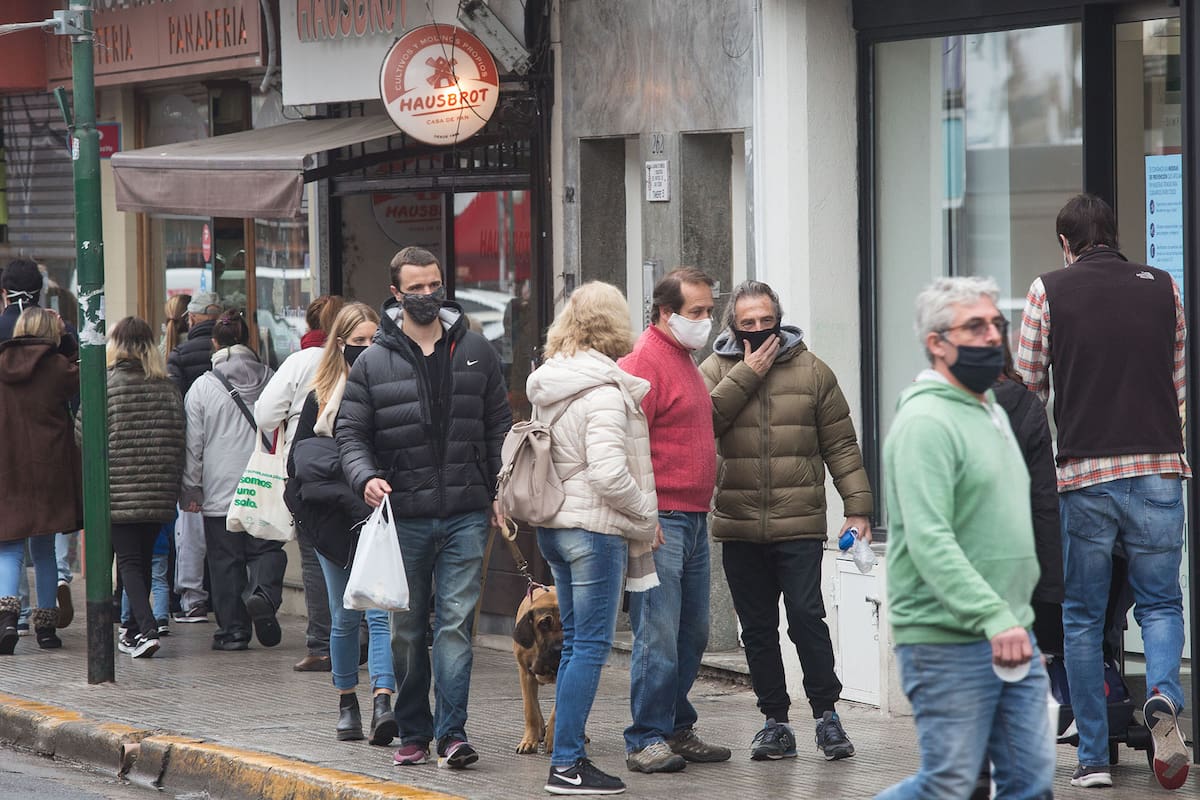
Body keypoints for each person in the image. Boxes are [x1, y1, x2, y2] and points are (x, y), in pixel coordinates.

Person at [1016, 193, 1190, 791]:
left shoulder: (1049, 290)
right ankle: (1164, 695)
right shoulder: (1163, 286)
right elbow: (1179, 382)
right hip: (1159, 468)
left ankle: (1092, 758)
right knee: (1161, 603)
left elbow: (1030, 389)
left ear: (1066, 244)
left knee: (1083, 618)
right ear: (1114, 235)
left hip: (1085, 475)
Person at [877, 276, 1052, 800]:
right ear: (937, 342)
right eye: (974, 326)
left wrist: (1016, 617)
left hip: (1010, 633)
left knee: (1030, 783)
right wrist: (995, 616)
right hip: (946, 639)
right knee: (948, 783)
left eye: (995, 324)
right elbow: (930, 539)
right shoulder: (926, 421)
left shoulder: (993, 410)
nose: (992, 336)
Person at [337, 246, 511, 770]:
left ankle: (453, 734)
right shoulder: (372, 361)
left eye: (432, 284)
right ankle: (414, 730)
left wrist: (502, 488)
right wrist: (365, 477)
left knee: (455, 625)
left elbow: (499, 426)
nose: (426, 294)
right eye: (414, 288)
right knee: (409, 631)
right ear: (395, 294)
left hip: (465, 511)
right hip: (403, 517)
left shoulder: (477, 350)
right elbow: (350, 433)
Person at [698, 280, 871, 762]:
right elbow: (703, 424)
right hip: (739, 523)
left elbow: (841, 444)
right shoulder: (714, 369)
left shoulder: (813, 371)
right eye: (747, 323)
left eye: (765, 321)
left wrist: (858, 508)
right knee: (755, 629)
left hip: (799, 522)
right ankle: (774, 721)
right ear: (733, 325)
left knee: (806, 620)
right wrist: (747, 374)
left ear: (780, 320)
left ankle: (826, 716)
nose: (757, 330)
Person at [525, 282, 660, 795]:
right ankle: (567, 762)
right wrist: (645, 513)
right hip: (594, 530)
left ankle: (568, 757)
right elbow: (607, 474)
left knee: (578, 642)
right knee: (589, 647)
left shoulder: (551, 383)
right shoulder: (603, 391)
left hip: (556, 528)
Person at [616, 267, 730, 774]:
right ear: (666, 312)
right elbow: (625, 443)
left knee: (692, 632)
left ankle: (676, 725)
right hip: (663, 517)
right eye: (697, 312)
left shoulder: (682, 356)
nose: (707, 321)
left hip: (693, 515)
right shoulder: (645, 360)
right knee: (657, 633)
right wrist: (645, 513)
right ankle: (645, 737)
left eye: (710, 310)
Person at [286, 302, 398, 743]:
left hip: (375, 516)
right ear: (340, 345)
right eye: (358, 343)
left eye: (375, 341)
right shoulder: (320, 393)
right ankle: (347, 700)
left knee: (380, 612)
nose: (367, 350)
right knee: (344, 615)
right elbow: (301, 463)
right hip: (332, 521)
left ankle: (383, 701)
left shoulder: (389, 387)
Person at [82, 317, 186, 659]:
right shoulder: (167, 387)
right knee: (141, 562)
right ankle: (131, 630)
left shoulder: (104, 385)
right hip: (159, 492)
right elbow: (179, 438)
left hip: (118, 492)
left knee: (129, 563)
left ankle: (148, 629)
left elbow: (82, 435)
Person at [182, 311, 285, 652]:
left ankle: (233, 631)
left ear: (215, 343)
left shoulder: (202, 387)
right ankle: (262, 594)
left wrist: (192, 487)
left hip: (220, 489)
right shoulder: (272, 378)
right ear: (247, 341)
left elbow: (193, 444)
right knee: (266, 548)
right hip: (264, 484)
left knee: (225, 562)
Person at [256, 294, 345, 673]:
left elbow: (265, 413)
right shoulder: (367, 360)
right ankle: (358, 639)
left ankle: (323, 644)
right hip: (358, 470)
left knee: (314, 556)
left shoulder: (299, 362)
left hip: (309, 468)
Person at [1, 260, 80, 633]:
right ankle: (46, 627)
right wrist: (64, 337)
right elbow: (82, 376)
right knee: (45, 547)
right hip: (49, 465)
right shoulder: (57, 365)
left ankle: (7, 618)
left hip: (7, 462)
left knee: (9, 546)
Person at [168, 291, 222, 624]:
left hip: (192, 449)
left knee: (190, 527)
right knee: (227, 527)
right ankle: (224, 593)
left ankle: (193, 598)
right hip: (231, 453)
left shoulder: (179, 354)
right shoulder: (240, 354)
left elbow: (175, 405)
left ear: (192, 319)